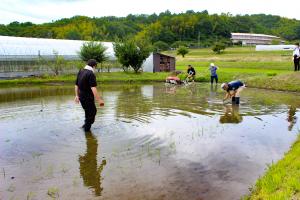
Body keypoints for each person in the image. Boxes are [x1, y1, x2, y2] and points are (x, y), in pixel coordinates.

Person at [75, 59, 105, 132]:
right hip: (87, 98)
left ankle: (85, 125)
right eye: (95, 67)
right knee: (92, 112)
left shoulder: (81, 71)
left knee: (88, 112)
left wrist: (76, 96)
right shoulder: (91, 74)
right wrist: (99, 100)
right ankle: (87, 130)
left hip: (81, 97)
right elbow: (93, 88)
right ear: (94, 66)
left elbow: (76, 85)